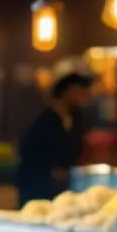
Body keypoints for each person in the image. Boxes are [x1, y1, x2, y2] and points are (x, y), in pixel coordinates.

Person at [16, 72, 94, 203]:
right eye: (82, 92)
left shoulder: (77, 117)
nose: (86, 97)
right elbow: (28, 149)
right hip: (36, 183)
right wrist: (50, 169)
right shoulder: (42, 116)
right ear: (68, 91)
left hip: (65, 185)